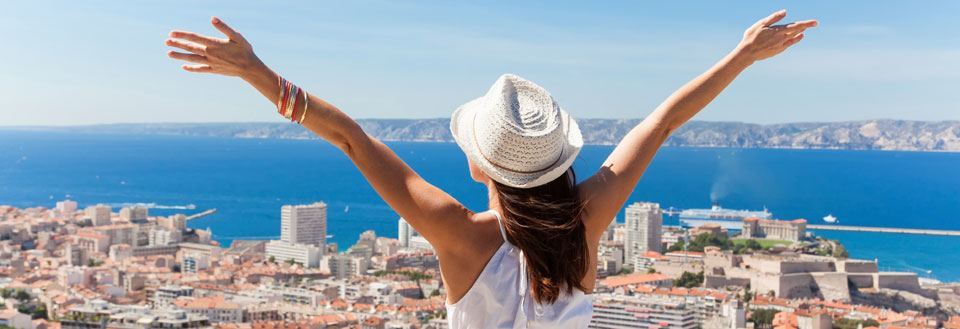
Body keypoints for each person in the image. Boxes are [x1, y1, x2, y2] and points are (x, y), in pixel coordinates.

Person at [166, 10, 815, 328]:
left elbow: (350, 140)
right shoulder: (587, 225)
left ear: (481, 165)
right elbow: (664, 121)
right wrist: (742, 57)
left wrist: (257, 73)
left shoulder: (461, 234)